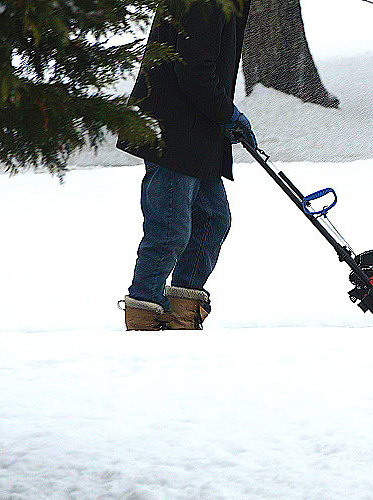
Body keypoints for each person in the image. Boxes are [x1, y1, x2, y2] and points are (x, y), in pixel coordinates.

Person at [116, 0, 256, 330]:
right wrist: (227, 114)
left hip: (197, 132)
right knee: (169, 229)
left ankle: (182, 312)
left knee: (211, 219)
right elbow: (193, 71)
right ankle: (144, 316)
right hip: (172, 131)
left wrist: (224, 116)